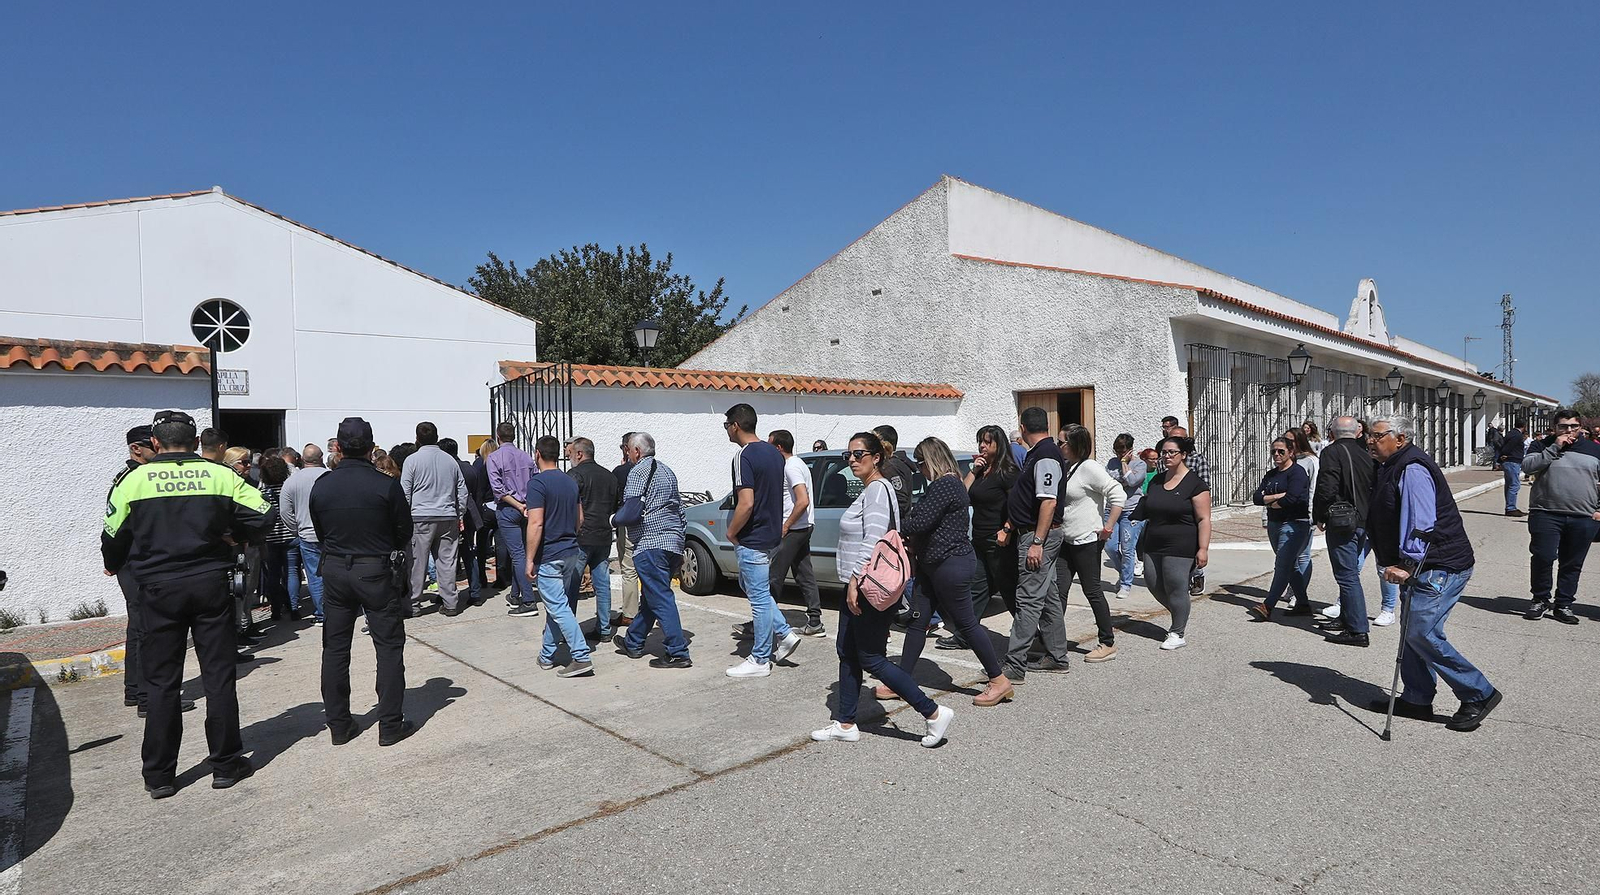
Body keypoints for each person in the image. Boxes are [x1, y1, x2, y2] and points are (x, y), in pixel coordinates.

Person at [102, 410, 272, 798]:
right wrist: (233, 534)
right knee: (218, 677)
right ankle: (226, 765)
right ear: (196, 443)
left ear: (156, 444)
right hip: (210, 583)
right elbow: (264, 516)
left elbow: (112, 537)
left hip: (158, 590)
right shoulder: (221, 475)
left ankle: (159, 775)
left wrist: (116, 563)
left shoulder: (133, 480)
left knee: (161, 682)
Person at [811, 432, 955, 747]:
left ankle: (932, 712)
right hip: (862, 583)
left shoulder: (877, 490)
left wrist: (854, 581)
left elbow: (873, 540)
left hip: (865, 586)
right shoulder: (876, 489)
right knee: (847, 653)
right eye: (847, 455)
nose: (851, 459)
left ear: (876, 457)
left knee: (871, 658)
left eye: (859, 453)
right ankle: (846, 722)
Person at [1363, 414, 1502, 731]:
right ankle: (1417, 697)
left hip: (1437, 566)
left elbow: (1421, 524)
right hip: (1421, 567)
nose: (1370, 440)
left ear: (1400, 438)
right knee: (1412, 631)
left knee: (1421, 633)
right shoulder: (1388, 465)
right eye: (1368, 435)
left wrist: (1406, 564)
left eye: (1376, 435)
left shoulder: (1412, 468)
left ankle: (1478, 692)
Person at [880, 437, 1012, 706]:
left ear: (930, 461)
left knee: (966, 623)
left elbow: (919, 521)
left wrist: (899, 522)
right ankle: (903, 680)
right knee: (918, 621)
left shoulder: (946, 485)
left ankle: (998, 680)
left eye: (920, 464)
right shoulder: (946, 484)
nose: (919, 471)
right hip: (933, 565)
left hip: (949, 565)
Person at [309, 417, 416, 747]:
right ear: (371, 448)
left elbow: (319, 530)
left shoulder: (322, 485)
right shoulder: (385, 485)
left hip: (337, 568)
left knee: (335, 649)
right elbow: (404, 531)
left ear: (338, 447)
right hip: (375, 568)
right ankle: (389, 724)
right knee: (387, 647)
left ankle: (339, 724)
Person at [110, 426, 196, 718]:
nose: (159, 451)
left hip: (134, 563)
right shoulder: (133, 479)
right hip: (137, 563)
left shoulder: (141, 477)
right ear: (136, 449)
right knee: (147, 630)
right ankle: (148, 697)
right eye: (153, 446)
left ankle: (135, 691)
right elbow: (117, 527)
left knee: (138, 628)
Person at [722, 404, 803, 678]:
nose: (727, 432)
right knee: (752, 586)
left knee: (757, 598)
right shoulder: (774, 453)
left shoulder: (742, 456)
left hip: (754, 537)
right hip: (771, 535)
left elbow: (746, 503)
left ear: (735, 425)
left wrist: (732, 532)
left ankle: (759, 659)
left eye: (726, 426)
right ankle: (784, 633)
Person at [997, 406, 1073, 680]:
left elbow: (1048, 501)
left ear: (1023, 427)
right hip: (1033, 533)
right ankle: (1056, 656)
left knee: (1028, 599)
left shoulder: (1045, 456)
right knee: (1048, 596)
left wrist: (1037, 541)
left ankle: (1014, 665)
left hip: (1038, 536)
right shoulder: (1037, 455)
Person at [1314, 416, 1398, 647]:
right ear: (1357, 432)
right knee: (1349, 571)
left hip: (1343, 522)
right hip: (1365, 520)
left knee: (1347, 574)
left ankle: (1358, 629)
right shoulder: (1366, 452)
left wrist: (1319, 515)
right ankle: (1345, 619)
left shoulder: (1332, 452)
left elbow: (1326, 487)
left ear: (1332, 431)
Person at [614, 432, 692, 669]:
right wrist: (679, 542)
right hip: (672, 542)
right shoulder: (668, 471)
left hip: (651, 544)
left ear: (636, 451)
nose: (627, 454)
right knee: (652, 597)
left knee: (661, 597)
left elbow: (631, 510)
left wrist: (612, 520)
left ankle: (678, 652)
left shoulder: (637, 471)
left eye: (628, 449)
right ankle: (634, 641)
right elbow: (680, 510)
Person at [940, 425, 1020, 653]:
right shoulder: (982, 471)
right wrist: (973, 471)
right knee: (976, 588)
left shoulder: (1008, 471)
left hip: (1000, 542)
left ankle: (1031, 634)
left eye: (987, 442)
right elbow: (961, 496)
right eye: (980, 442)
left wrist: (1006, 529)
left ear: (999, 444)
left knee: (1008, 590)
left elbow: (1017, 505)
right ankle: (964, 635)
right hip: (980, 540)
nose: (982, 446)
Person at [1131, 436, 1211, 650]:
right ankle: (1180, 613)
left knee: (1176, 586)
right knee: (1153, 582)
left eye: (1171, 452)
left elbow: (1204, 519)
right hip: (1154, 540)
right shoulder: (1157, 480)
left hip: (1182, 543)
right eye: (1164, 452)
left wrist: (1202, 549)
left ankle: (1177, 632)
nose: (1166, 456)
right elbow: (1149, 506)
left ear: (1183, 455)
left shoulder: (1196, 484)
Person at [1521, 409, 1600, 624]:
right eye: (1564, 426)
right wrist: (1555, 446)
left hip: (1583, 515)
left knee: (1572, 563)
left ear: (1581, 427)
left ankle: (1564, 604)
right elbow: (1527, 467)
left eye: (1573, 426)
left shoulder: (1594, 449)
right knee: (1543, 557)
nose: (1569, 431)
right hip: (1545, 512)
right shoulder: (1542, 445)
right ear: (1555, 427)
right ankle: (1540, 599)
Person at [1055, 424, 1125, 663]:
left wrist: (1108, 527)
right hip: (1065, 540)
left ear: (1074, 444)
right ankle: (1053, 640)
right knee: (1058, 592)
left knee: (1092, 591)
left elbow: (1118, 494)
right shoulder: (1067, 467)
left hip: (1086, 541)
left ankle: (1107, 642)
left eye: (1061, 442)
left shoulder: (1089, 467)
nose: (1058, 446)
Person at [525, 435, 594, 677]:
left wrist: (529, 558)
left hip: (550, 555)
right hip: (570, 551)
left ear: (537, 454)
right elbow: (580, 519)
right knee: (558, 606)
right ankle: (546, 655)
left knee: (558, 607)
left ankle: (581, 655)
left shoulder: (537, 484)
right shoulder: (570, 481)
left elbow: (536, 523)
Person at [399, 422, 470, 617]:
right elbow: (462, 491)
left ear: (417, 438)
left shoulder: (412, 461)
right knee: (447, 561)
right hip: (447, 515)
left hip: (420, 516)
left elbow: (405, 492)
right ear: (437, 437)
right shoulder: (450, 460)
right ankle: (451, 602)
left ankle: (414, 604)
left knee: (417, 562)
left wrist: (404, 518)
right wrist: (459, 513)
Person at [1247, 438, 1314, 621]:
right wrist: (1277, 497)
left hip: (1294, 524)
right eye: (1274, 451)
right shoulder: (1271, 474)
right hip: (1275, 523)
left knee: (1282, 565)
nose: (1276, 455)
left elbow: (1292, 499)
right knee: (1290, 565)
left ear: (1291, 452)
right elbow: (1256, 498)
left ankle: (1268, 606)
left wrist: (1272, 500)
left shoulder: (1298, 473)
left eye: (1281, 451)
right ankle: (1303, 604)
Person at [769, 429, 824, 636]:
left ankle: (762, 622)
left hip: (794, 528)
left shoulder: (791, 467)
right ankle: (815, 620)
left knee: (773, 576)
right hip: (803, 527)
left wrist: (785, 525)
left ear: (779, 447)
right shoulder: (798, 463)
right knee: (804, 574)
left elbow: (803, 500)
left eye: (770, 445)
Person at [567, 437, 618, 640]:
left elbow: (568, 505)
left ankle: (567, 629)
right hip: (604, 535)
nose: (569, 457)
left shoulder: (575, 474)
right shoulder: (610, 477)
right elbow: (615, 506)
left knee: (571, 585)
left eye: (571, 453)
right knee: (602, 584)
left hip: (581, 536)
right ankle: (604, 628)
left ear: (580, 454)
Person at [487, 422, 539, 617]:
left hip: (510, 508)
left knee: (517, 555)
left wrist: (517, 505)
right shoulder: (525, 456)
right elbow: (535, 481)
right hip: (527, 507)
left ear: (498, 436)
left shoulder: (494, 457)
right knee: (523, 553)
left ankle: (527, 600)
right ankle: (516, 593)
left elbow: (498, 489)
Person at [279, 443, 328, 625]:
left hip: (307, 535)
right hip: (330, 534)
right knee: (333, 574)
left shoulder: (292, 481)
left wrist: (296, 529)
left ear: (303, 459)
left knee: (315, 577)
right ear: (321, 457)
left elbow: (285, 511)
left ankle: (322, 613)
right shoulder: (329, 476)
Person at [440, 437, 486, 607]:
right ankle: (475, 592)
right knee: (468, 553)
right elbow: (477, 493)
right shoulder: (469, 468)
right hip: (470, 515)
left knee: (446, 557)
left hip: (452, 515)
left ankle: (447, 592)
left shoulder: (447, 468)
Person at [1105, 433, 1147, 600]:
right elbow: (1109, 482)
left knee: (1128, 548)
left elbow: (1132, 481)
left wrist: (1124, 465)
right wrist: (1124, 477)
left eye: (1122, 452)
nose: (1119, 455)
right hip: (1112, 508)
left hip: (1132, 510)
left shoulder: (1140, 464)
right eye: (1117, 451)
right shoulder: (1110, 462)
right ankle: (1125, 574)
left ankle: (1125, 584)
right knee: (1110, 547)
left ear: (1130, 450)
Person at [257, 455, 298, 620]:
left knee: (273, 574)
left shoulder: (262, 492)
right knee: (292, 572)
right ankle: (294, 608)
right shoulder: (289, 488)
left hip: (271, 537)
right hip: (290, 535)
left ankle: (275, 609)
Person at [611, 433, 641, 629]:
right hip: (649, 523)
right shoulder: (653, 469)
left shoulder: (621, 471)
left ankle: (630, 613)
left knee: (628, 569)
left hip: (627, 523)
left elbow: (614, 498)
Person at [1499, 419, 1527, 516]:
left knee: (1509, 485)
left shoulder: (1510, 433)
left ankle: (1510, 506)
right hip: (1512, 461)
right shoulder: (1517, 435)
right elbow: (1508, 447)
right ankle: (1511, 508)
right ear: (1524, 426)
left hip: (1510, 461)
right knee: (1514, 485)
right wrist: (1505, 453)